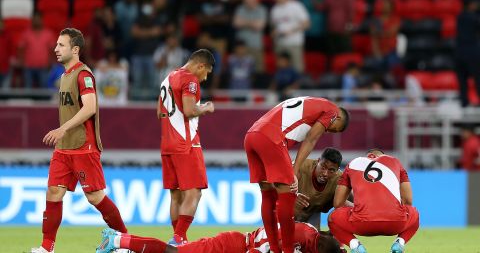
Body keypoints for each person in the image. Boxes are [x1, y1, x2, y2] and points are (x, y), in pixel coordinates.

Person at [31, 28, 127, 253]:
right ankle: (47, 248)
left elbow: (90, 106)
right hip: (64, 149)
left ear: (75, 50)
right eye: (56, 45)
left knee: (95, 197)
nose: (56, 49)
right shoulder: (63, 76)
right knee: (53, 192)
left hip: (84, 146)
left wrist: (63, 128)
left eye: (61, 45)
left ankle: (124, 241)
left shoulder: (83, 74)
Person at [244, 96, 350, 253]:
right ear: (338, 117)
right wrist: (293, 171)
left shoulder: (312, 102)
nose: (328, 130)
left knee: (268, 195)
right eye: (334, 128)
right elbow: (310, 140)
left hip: (252, 135)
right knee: (287, 197)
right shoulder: (332, 111)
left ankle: (274, 248)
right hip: (272, 137)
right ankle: (287, 250)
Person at [157, 49, 216, 246]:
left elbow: (160, 113)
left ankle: (178, 239)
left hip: (167, 144)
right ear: (200, 65)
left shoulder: (169, 77)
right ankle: (179, 238)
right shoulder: (190, 81)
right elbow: (190, 111)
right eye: (206, 72)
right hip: (186, 143)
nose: (205, 77)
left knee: (176, 194)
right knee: (194, 192)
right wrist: (206, 108)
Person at [328, 149, 420, 253]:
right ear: (381, 156)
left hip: (362, 224)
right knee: (414, 213)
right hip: (396, 223)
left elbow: (337, 203)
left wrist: (357, 208)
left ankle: (355, 246)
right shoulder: (395, 162)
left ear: (369, 156)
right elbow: (408, 201)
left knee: (332, 218)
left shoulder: (354, 163)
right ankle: (399, 243)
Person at [96, 221, 342, 253]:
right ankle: (117, 240)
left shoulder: (312, 237)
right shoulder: (298, 236)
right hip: (231, 245)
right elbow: (261, 247)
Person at [295, 148, 351, 230]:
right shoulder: (301, 166)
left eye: (331, 170)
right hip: (289, 211)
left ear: (337, 170)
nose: (325, 173)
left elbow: (348, 200)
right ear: (318, 161)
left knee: (314, 240)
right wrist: (292, 196)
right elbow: (278, 185)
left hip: (313, 213)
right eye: (323, 167)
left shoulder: (340, 179)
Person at [270, 0, 310, 73]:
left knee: (297, 69)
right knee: (281, 70)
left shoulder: (296, 6)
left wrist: (291, 31)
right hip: (279, 44)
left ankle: (297, 86)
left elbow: (307, 24)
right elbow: (274, 27)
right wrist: (274, 33)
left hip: (294, 43)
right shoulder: (274, 10)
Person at [455, 0, 480, 107]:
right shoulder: (474, 18)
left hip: (459, 52)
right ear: (470, 4)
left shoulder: (459, 17)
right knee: (478, 78)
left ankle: (464, 103)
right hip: (472, 52)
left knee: (462, 81)